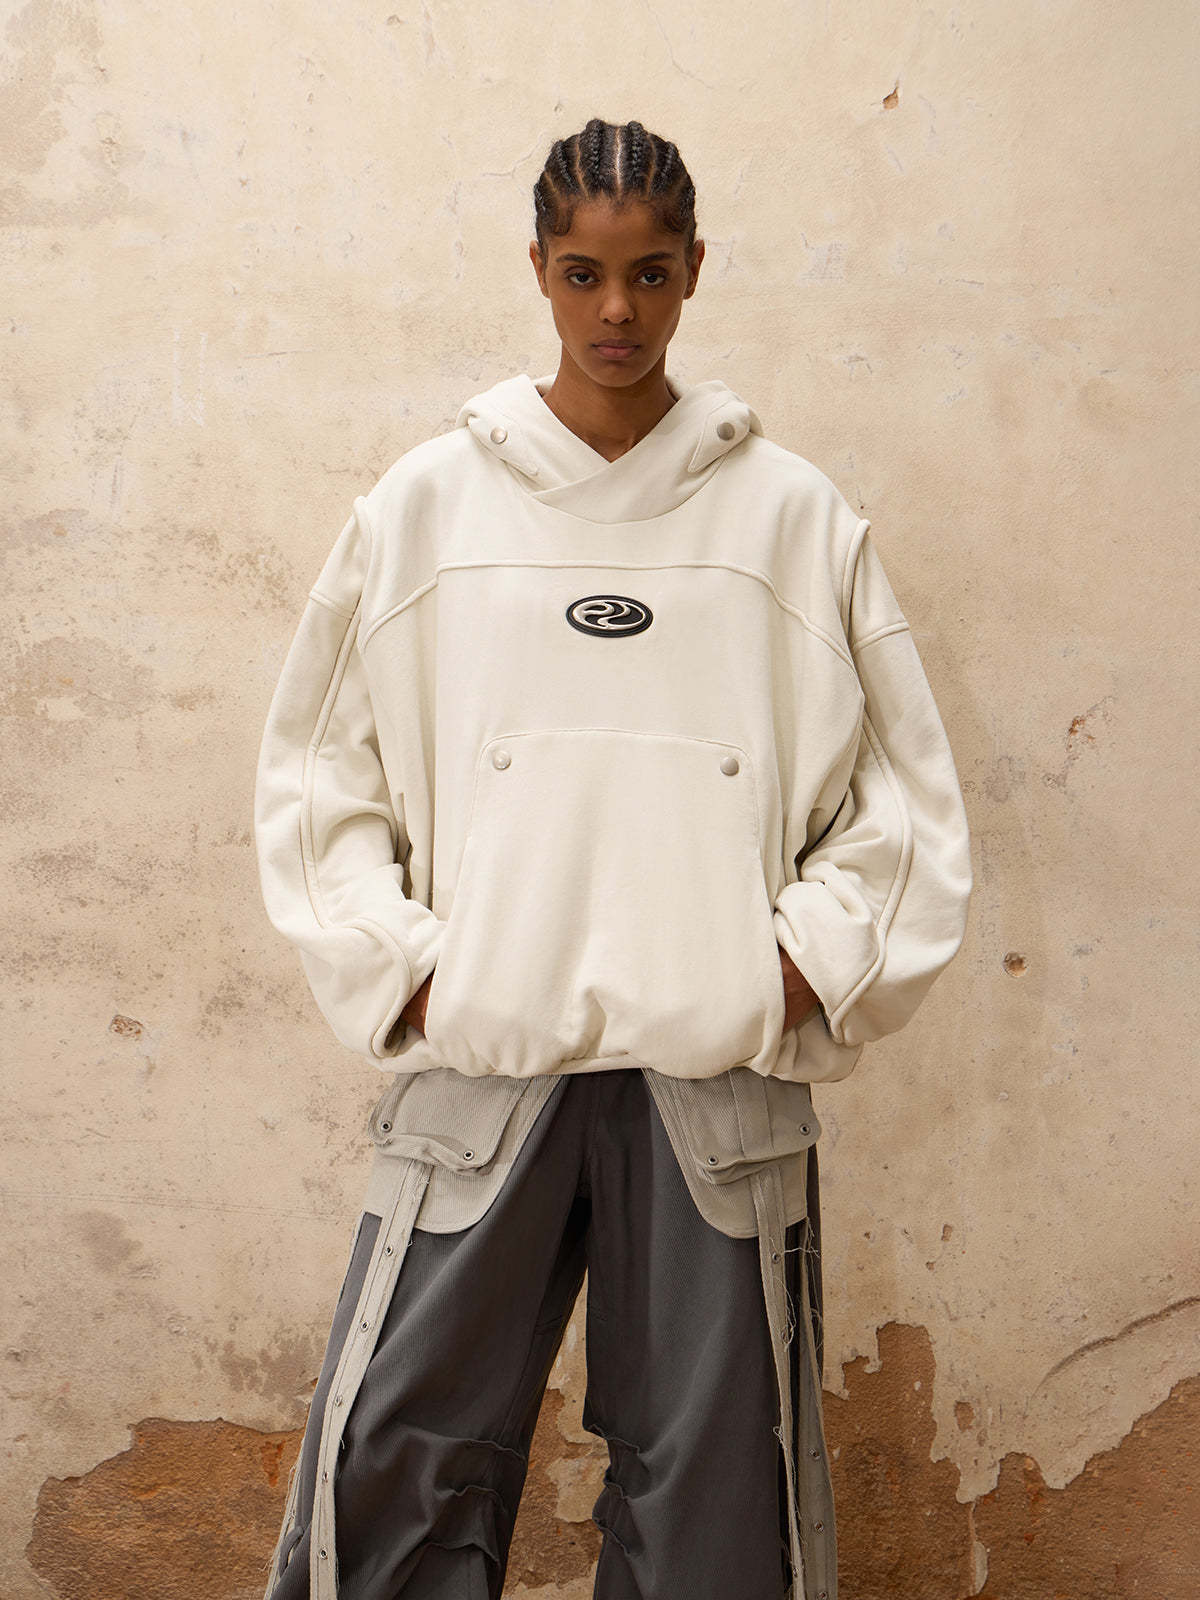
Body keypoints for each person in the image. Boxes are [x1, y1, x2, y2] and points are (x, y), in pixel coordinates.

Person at [253, 116, 972, 1600]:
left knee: (716, 1492)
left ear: (696, 269)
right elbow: (317, 775)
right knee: (394, 1459)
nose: (617, 312)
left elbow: (904, 802)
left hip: (715, 1081)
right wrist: (414, 978)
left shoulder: (792, 519)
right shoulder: (425, 508)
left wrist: (787, 974)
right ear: (539, 268)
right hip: (482, 1065)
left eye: (649, 274)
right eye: (583, 274)